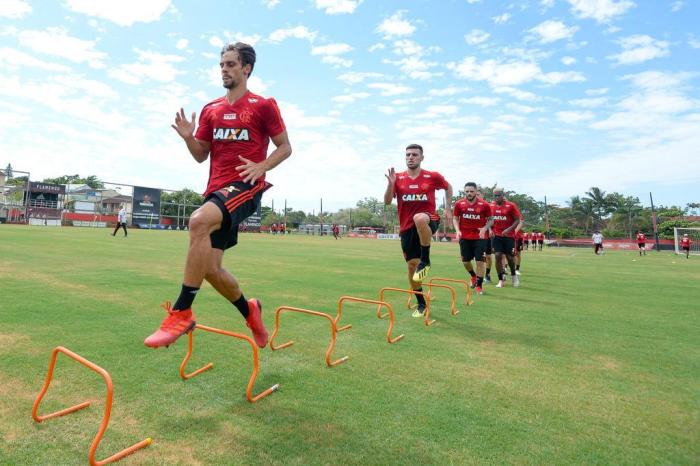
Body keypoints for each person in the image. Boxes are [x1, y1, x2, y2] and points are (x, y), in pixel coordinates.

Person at [145, 42, 292, 349]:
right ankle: (249, 311)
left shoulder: (262, 106)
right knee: (210, 268)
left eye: (230, 64)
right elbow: (201, 155)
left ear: (246, 68)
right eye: (221, 64)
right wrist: (188, 138)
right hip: (216, 192)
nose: (224, 69)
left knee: (198, 221)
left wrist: (263, 166)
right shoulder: (211, 110)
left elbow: (285, 147)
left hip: (245, 186)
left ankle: (182, 311)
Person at [384, 144, 453, 316]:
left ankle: (426, 258)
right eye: (408, 155)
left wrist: (448, 207)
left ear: (422, 157)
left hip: (430, 219)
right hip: (407, 228)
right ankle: (421, 303)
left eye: (414, 154)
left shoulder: (432, 176)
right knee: (411, 267)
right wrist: (390, 184)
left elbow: (448, 187)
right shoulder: (398, 178)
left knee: (419, 218)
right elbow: (386, 201)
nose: (410, 157)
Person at [452, 182, 491, 295]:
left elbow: (491, 220)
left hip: (480, 237)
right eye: (467, 191)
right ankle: (473, 276)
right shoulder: (459, 204)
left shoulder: (484, 205)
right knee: (465, 261)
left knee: (480, 261)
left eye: (471, 191)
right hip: (464, 237)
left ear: (475, 191)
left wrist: (484, 228)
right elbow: (455, 218)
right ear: (464, 191)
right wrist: (457, 230)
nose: (469, 193)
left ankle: (479, 285)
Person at [491, 187, 522, 288]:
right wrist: (490, 230)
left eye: (498, 195)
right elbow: (489, 220)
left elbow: (517, 220)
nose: (496, 197)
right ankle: (501, 280)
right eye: (495, 195)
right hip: (496, 236)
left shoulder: (511, 205)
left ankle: (513, 275)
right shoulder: (491, 206)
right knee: (497, 256)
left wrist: (508, 230)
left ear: (503, 195)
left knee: (509, 257)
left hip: (509, 236)